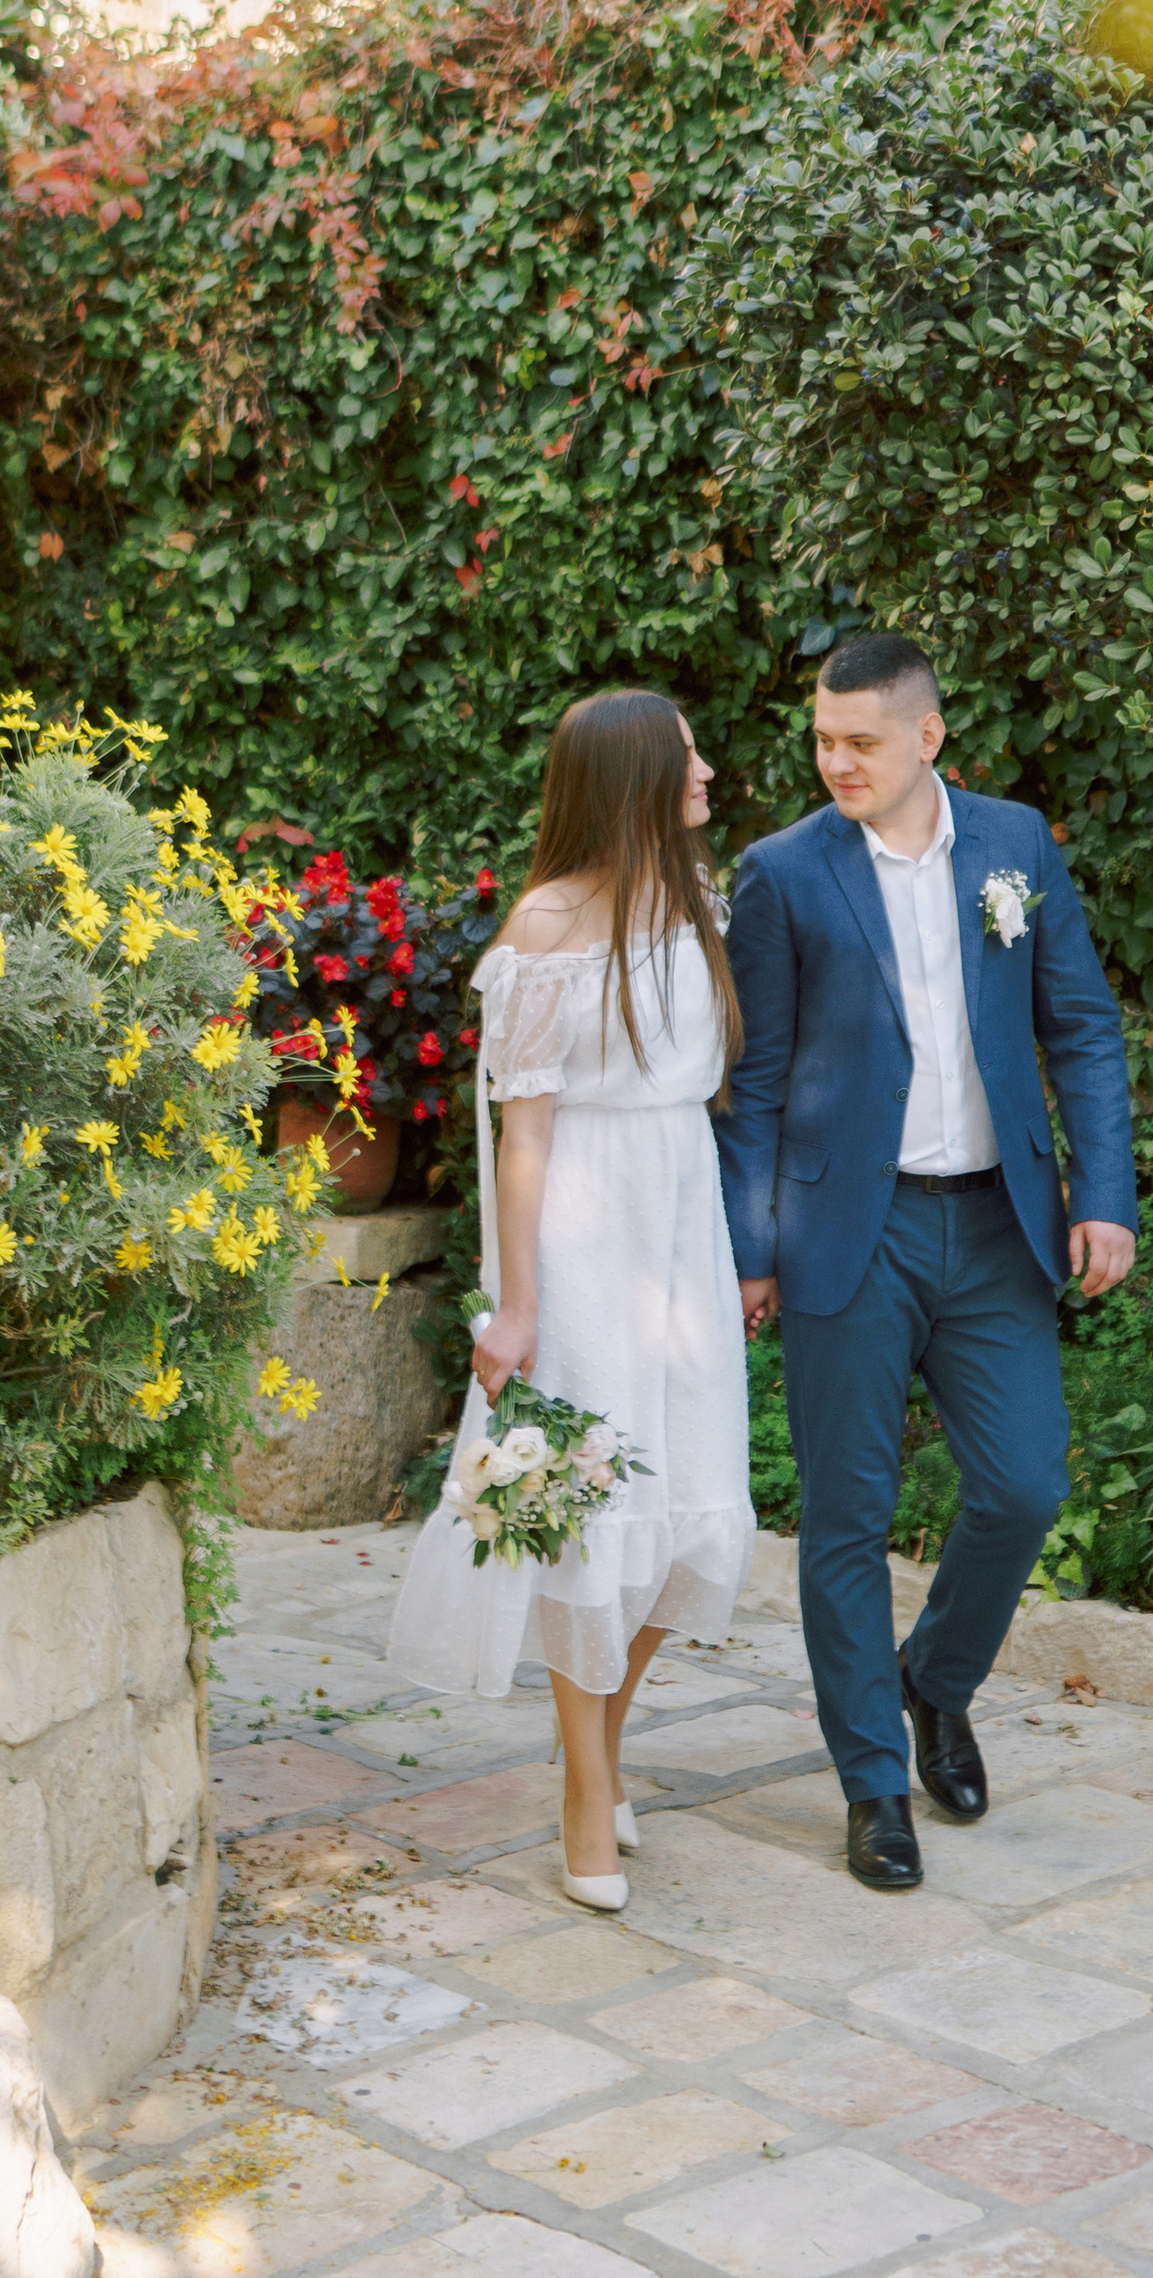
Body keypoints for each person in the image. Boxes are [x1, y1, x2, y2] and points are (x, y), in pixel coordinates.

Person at [719, 630, 1138, 1890]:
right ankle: (871, 1785)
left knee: (1023, 1486)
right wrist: (751, 1246)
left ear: (925, 737)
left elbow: (1083, 1029)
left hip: (998, 1223)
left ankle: (934, 1682)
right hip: (850, 1228)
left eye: (859, 741)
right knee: (844, 1518)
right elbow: (753, 1082)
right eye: (821, 740)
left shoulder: (1013, 847)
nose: (835, 761)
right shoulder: (782, 874)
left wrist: (1102, 1197)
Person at [387, 691, 753, 1913]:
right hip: (586, 1228)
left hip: (680, 1222)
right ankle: (586, 1791)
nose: (707, 768)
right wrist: (520, 1305)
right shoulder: (546, 927)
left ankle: (596, 1746)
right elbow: (523, 1135)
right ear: (634, 781)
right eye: (686, 753)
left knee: (690, 1515)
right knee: (583, 1511)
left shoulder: (700, 900)